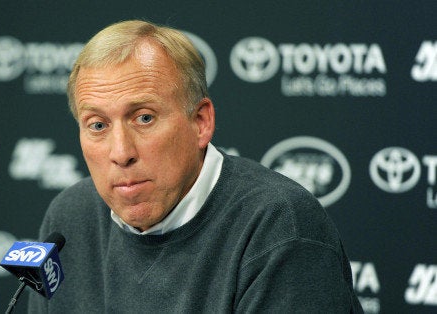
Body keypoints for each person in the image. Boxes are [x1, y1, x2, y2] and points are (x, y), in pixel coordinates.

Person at [28, 20, 363, 313]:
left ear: (201, 122)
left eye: (144, 118)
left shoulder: (278, 225)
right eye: (98, 125)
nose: (121, 152)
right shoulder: (70, 218)